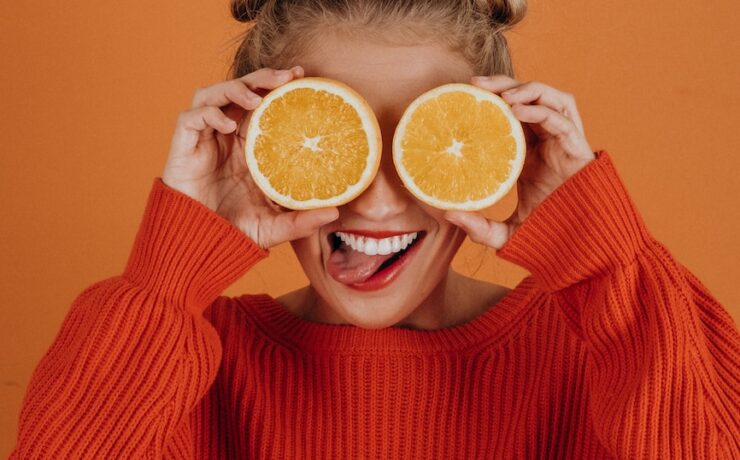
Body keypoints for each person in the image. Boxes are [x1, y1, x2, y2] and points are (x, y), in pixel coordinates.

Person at [11, 0, 739, 458]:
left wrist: (605, 259)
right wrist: (168, 273)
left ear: (499, 146)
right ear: (258, 145)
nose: (381, 205)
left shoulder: (606, 356)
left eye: (424, 144)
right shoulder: (188, 371)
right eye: (334, 143)